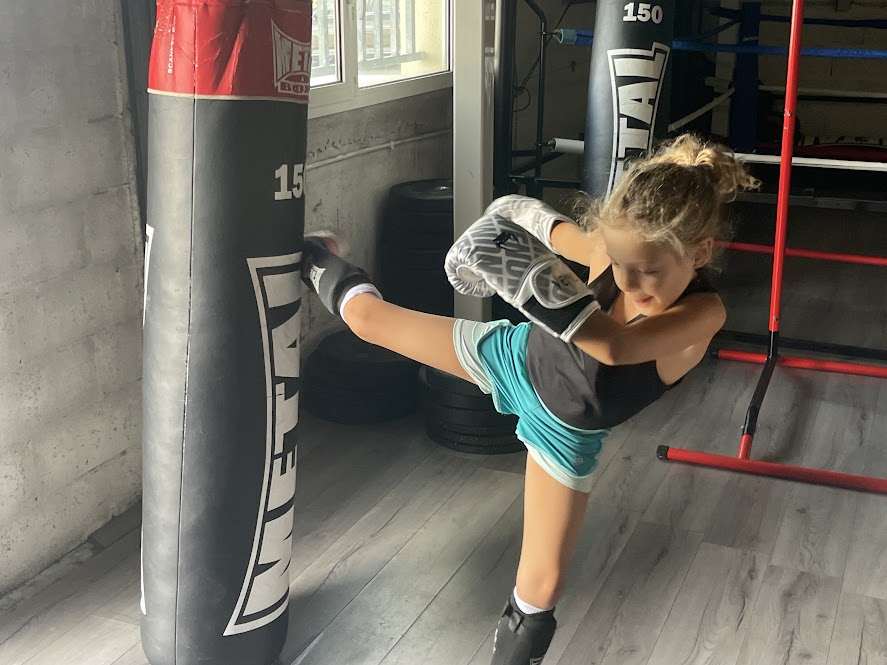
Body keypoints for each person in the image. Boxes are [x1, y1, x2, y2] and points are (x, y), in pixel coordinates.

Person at [300, 134, 758, 665]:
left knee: (541, 587)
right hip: (516, 357)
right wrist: (503, 219)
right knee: (367, 320)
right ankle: (311, 254)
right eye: (618, 261)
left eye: (648, 270)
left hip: (565, 433)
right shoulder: (616, 250)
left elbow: (615, 347)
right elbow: (530, 216)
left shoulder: (705, 314)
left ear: (699, 252)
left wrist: (520, 273)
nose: (628, 281)